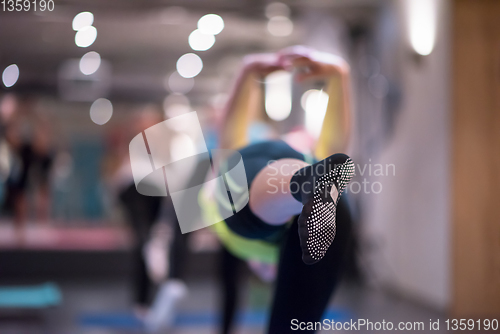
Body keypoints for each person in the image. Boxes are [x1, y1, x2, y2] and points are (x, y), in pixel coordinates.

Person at [202, 46, 355, 333]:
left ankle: (302, 182)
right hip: (281, 175)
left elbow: (228, 144)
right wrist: (338, 75)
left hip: (261, 177)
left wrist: (339, 75)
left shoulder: (273, 248)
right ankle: (302, 182)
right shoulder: (298, 246)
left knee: (260, 195)